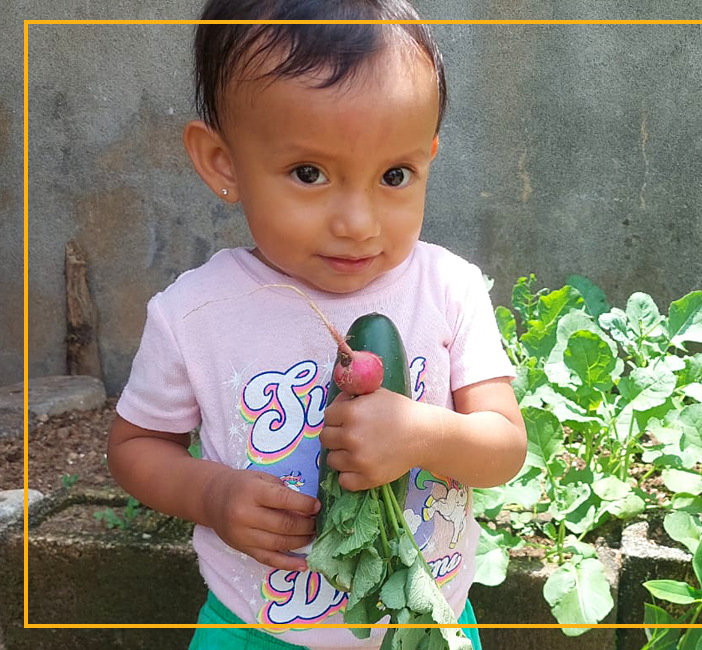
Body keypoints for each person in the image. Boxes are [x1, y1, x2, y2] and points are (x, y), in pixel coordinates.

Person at [106, 1, 527, 648]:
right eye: (310, 173)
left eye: (395, 175)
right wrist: (213, 495)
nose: (358, 222)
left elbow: (504, 447)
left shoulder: (448, 289)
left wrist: (422, 434)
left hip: (422, 627)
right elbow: (135, 449)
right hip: (256, 631)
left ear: (429, 158)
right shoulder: (194, 315)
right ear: (222, 162)